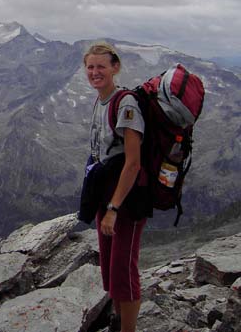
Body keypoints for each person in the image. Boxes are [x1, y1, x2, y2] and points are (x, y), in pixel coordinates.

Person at [84, 42, 146, 332]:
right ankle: (117, 320)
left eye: (101, 67)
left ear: (115, 67)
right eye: (90, 67)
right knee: (110, 267)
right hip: (104, 193)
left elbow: (133, 163)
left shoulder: (126, 104)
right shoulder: (100, 100)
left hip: (126, 199)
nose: (95, 72)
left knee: (124, 268)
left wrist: (113, 208)